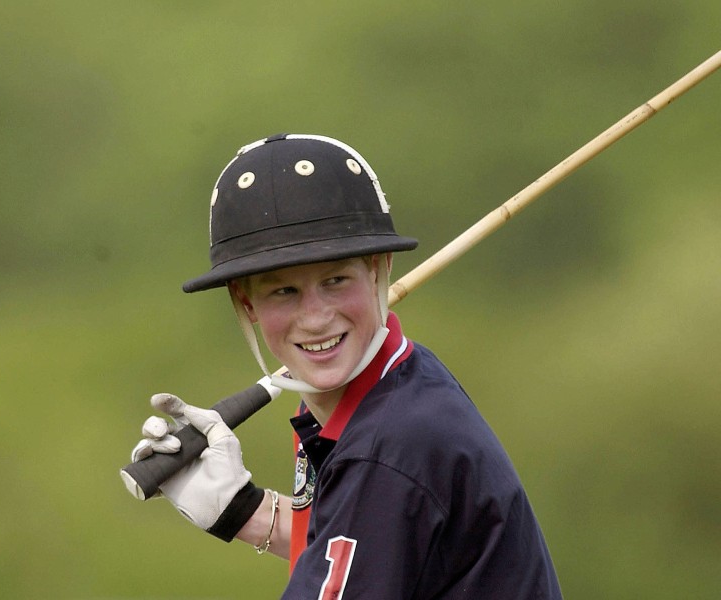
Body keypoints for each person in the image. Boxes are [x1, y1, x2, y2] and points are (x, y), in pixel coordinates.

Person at [130, 133, 562, 598]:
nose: (315, 318)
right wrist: (243, 511)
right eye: (284, 291)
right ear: (246, 302)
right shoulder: (400, 383)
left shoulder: (389, 446)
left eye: (335, 280)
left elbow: (378, 514)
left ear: (378, 269)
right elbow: (381, 549)